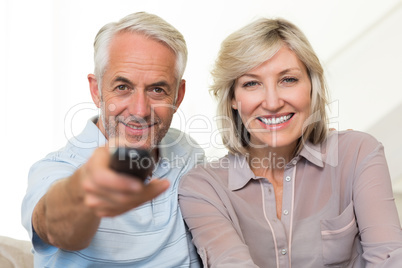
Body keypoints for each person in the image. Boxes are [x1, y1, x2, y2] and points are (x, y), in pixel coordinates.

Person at [178, 18, 402, 267]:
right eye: (252, 83)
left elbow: (388, 258)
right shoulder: (204, 188)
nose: (272, 102)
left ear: (311, 86)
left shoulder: (358, 154)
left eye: (288, 80)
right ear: (232, 98)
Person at [21, 12, 204, 267]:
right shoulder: (57, 168)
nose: (140, 110)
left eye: (157, 90)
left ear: (179, 95)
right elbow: (54, 225)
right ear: (96, 91)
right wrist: (85, 191)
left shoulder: (186, 149)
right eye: (122, 87)